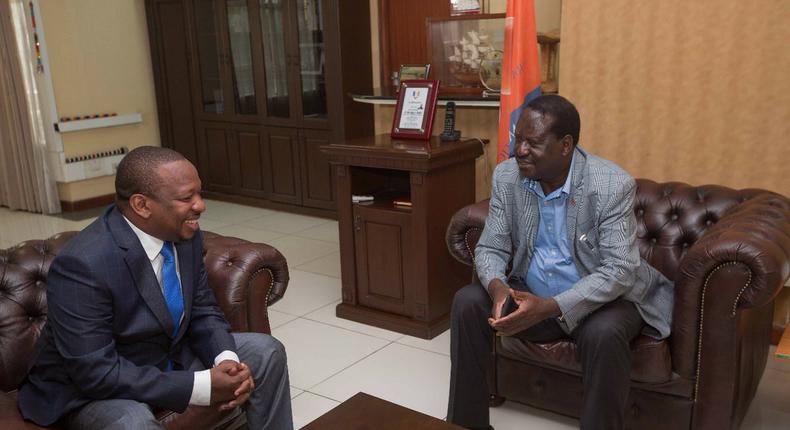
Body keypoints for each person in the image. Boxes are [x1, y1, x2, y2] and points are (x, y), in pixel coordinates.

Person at [18, 146, 293, 430]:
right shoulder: (83, 264)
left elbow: (202, 309)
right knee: (132, 423)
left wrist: (226, 360)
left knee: (265, 352)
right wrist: (201, 385)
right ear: (142, 205)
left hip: (164, 356)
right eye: (187, 197)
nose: (200, 206)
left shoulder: (185, 235)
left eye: (200, 193)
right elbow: (95, 372)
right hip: (90, 388)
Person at [447, 95, 674, 430]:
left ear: (566, 145)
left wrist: (551, 307)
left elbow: (619, 271)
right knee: (467, 302)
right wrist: (498, 289)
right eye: (518, 139)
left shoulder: (610, 184)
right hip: (531, 290)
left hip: (602, 298)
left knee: (604, 333)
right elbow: (490, 247)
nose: (520, 150)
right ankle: (466, 425)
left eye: (533, 143)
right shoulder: (508, 176)